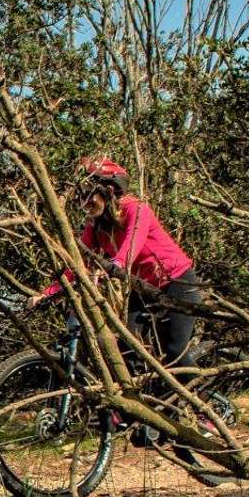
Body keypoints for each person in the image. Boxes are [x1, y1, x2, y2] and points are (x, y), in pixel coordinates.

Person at [29, 156, 202, 370]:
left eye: (90, 196)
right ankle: (149, 399)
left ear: (108, 191)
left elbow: (132, 243)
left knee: (174, 352)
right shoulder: (96, 227)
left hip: (178, 282)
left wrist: (116, 264)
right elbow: (78, 264)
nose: (85, 203)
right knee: (128, 349)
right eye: (81, 197)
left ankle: (201, 401)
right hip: (144, 289)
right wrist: (48, 293)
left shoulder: (136, 209)